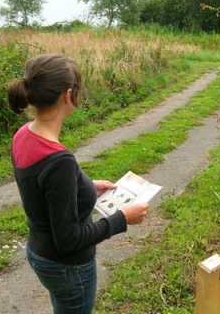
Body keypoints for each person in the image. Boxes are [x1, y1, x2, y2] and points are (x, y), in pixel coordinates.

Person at [8, 53, 149, 314]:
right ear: (67, 95)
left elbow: (41, 190)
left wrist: (85, 187)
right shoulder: (59, 160)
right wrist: (122, 218)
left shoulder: (23, 135)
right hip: (68, 267)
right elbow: (69, 240)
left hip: (39, 252)